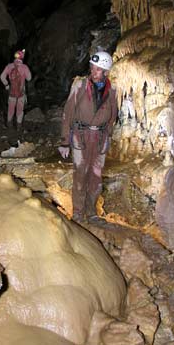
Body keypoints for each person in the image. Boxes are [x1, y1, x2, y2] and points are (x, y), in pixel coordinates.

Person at [58, 51, 118, 222]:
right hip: (80, 136)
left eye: (98, 69)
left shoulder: (112, 90)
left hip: (99, 138)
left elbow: (112, 115)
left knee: (96, 175)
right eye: (92, 68)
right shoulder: (80, 85)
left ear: (106, 72)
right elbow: (67, 113)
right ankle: (78, 213)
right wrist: (64, 141)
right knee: (80, 173)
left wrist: (108, 136)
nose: (94, 72)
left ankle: (91, 212)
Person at [0, 49, 32, 131]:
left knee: (10, 109)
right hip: (21, 92)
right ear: (22, 58)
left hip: (11, 92)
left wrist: (6, 85)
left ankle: (9, 125)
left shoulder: (9, 66)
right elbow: (29, 78)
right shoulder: (24, 67)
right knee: (20, 110)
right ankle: (18, 126)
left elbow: (2, 77)